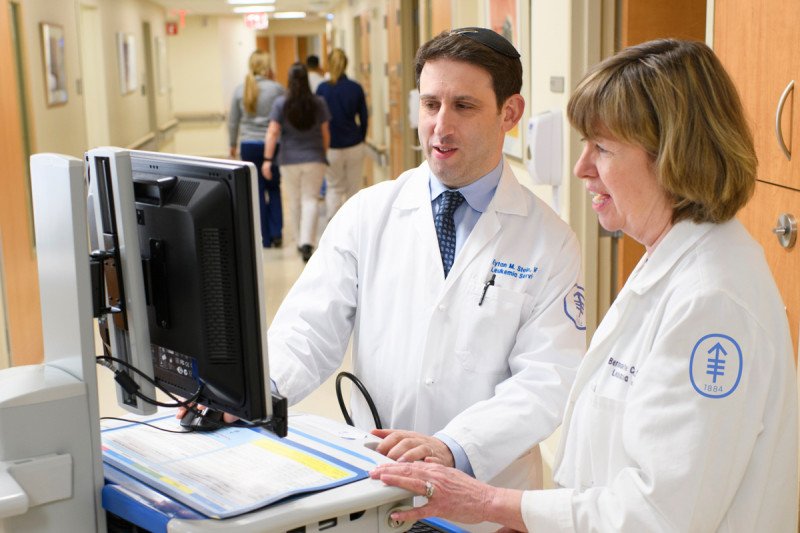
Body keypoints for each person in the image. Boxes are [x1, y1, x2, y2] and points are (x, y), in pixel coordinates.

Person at [370, 38, 799, 532]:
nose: (581, 169)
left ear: (672, 156)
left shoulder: (713, 301)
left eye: (603, 148)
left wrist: (489, 504)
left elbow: (659, 515)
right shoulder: (669, 263)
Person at [267, 26, 585, 516]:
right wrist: (258, 394)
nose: (440, 126)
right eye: (431, 104)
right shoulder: (367, 213)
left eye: (464, 106)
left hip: (482, 499)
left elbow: (546, 379)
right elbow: (307, 329)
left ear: (510, 113)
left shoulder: (550, 241)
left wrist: (452, 447)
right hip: (374, 484)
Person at [262, 63, 330, 262]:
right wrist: (322, 154)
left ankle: (300, 240)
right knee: (311, 199)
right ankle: (307, 242)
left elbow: (273, 132)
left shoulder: (281, 103)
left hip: (288, 160)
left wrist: (267, 159)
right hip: (314, 158)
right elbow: (326, 133)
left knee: (295, 201)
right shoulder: (318, 103)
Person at [228, 50, 285, 248]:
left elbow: (233, 121)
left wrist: (232, 145)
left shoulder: (240, 89)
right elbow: (283, 120)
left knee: (256, 190)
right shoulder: (277, 89)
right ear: (267, 66)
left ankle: (263, 236)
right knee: (274, 188)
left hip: (249, 145)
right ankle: (277, 232)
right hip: (272, 146)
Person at [315, 48, 369, 221]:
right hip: (354, 144)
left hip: (331, 147)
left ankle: (334, 226)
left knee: (333, 187)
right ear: (346, 64)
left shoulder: (322, 89)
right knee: (353, 188)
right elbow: (364, 117)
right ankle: (354, 226)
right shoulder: (355, 88)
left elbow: (317, 119)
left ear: (329, 65)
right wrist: (361, 138)